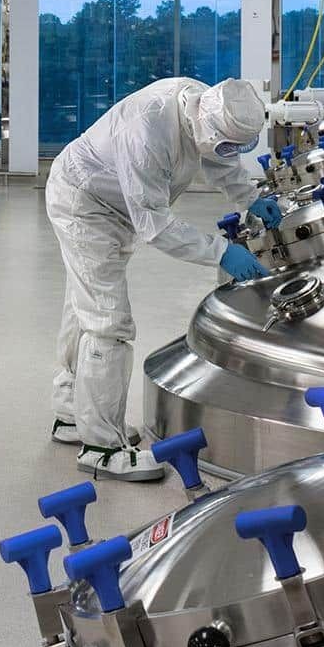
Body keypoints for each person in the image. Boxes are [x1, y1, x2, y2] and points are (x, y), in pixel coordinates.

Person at [46, 77, 280, 481]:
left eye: (236, 147)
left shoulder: (205, 107)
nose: (228, 153)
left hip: (113, 204)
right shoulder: (149, 130)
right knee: (108, 321)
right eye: (225, 143)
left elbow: (218, 158)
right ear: (206, 126)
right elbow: (154, 225)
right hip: (85, 202)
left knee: (82, 306)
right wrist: (221, 251)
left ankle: (71, 411)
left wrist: (249, 197)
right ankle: (100, 446)